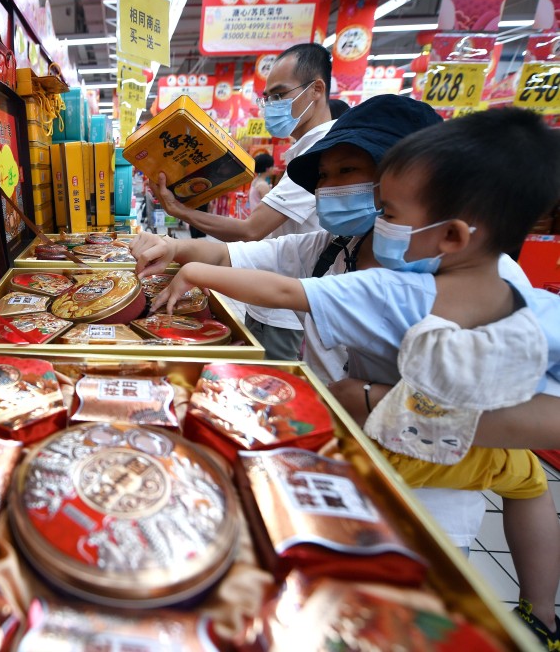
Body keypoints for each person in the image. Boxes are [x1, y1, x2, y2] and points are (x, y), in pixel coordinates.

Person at [149, 107, 560, 648]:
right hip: (341, 459)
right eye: (323, 175)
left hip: (426, 490)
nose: (331, 188)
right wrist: (175, 247)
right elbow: (242, 254)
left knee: (392, 617)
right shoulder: (331, 248)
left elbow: (542, 414)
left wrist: (379, 403)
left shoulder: (472, 282)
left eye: (351, 172)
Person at [152, 43, 335, 361]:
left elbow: (251, 230)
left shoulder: (322, 155)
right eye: (268, 98)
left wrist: (179, 211)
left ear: (316, 89)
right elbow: (250, 247)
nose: (271, 106)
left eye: (279, 95)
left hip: (286, 309)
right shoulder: (303, 154)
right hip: (271, 296)